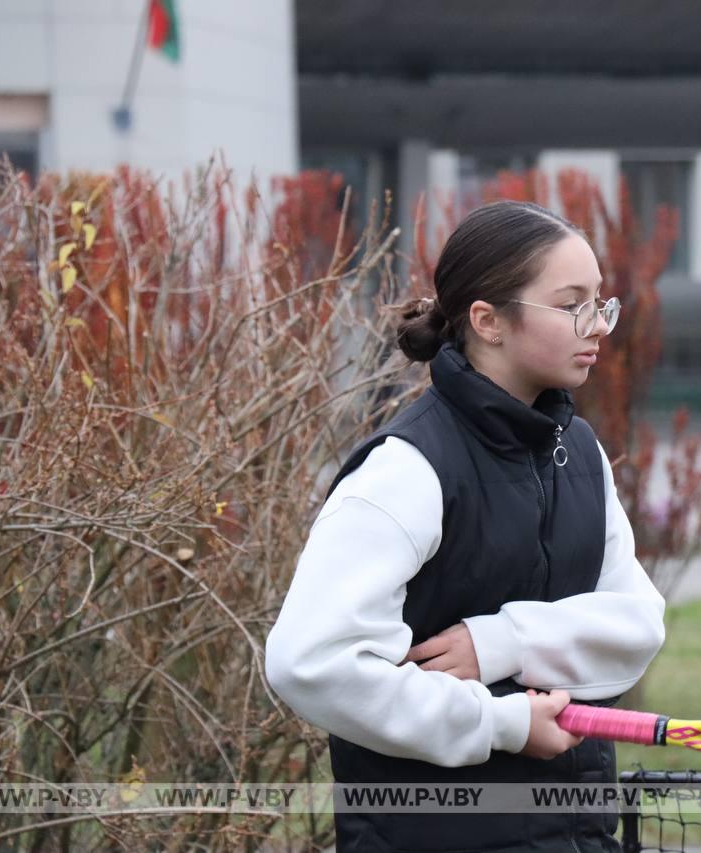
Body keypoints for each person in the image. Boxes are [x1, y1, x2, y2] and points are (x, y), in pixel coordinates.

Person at [265, 200, 667, 852]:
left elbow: (637, 625)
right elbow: (310, 662)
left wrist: (499, 642)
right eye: (572, 304)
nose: (598, 325)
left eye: (602, 302)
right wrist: (501, 722)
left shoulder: (581, 453)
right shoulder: (406, 470)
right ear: (487, 320)